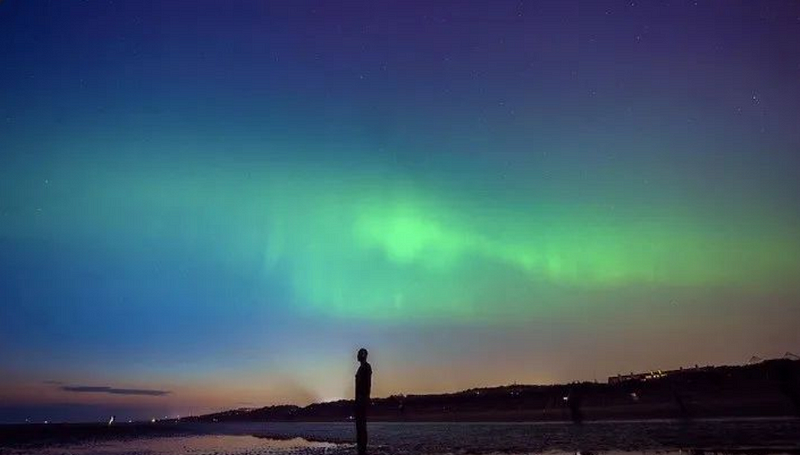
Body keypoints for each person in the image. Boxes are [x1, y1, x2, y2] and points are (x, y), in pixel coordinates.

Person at [354, 348, 372, 455]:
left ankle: (362, 448)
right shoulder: (361, 367)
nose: (357, 356)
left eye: (359, 354)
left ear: (363, 355)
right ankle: (360, 447)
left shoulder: (366, 367)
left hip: (362, 398)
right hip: (359, 399)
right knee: (359, 424)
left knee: (361, 425)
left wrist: (365, 398)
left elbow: (368, 384)